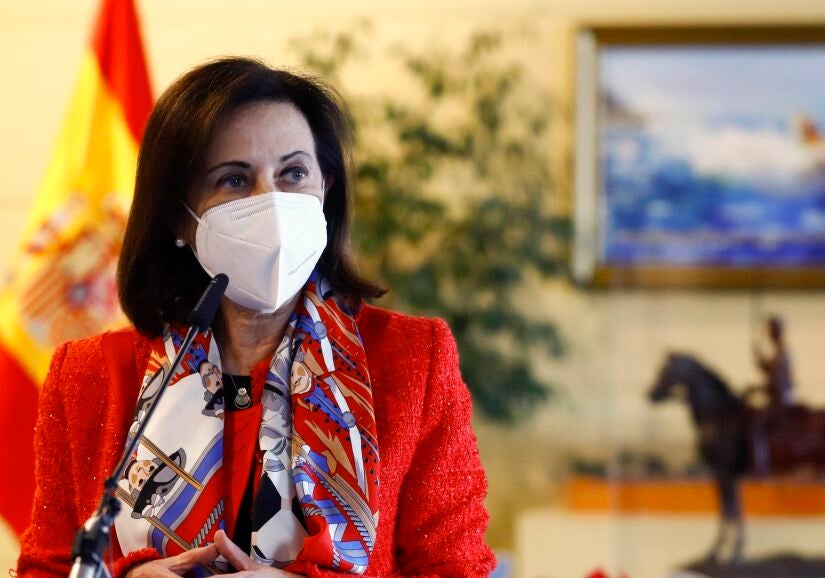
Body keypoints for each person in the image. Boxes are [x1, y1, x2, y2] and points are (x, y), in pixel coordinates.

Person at [16, 57, 495, 578]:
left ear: (326, 188)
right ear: (180, 216)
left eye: (293, 173)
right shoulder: (89, 375)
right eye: (234, 180)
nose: (272, 203)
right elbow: (46, 568)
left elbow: (458, 570)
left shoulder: (412, 360)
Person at [747, 315, 795, 476]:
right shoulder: (779, 352)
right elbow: (768, 370)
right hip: (777, 398)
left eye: (773, 330)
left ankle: (760, 465)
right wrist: (758, 356)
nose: (770, 334)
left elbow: (776, 380)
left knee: (756, 426)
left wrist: (757, 389)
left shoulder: (782, 352)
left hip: (780, 401)